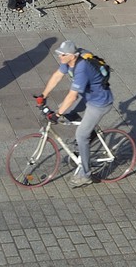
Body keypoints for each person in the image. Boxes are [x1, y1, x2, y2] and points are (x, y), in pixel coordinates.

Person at [39, 41, 114, 187]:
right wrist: (43, 95)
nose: (60, 56)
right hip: (87, 95)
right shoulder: (68, 61)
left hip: (99, 103)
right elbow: (57, 76)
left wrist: (57, 114)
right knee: (67, 112)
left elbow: (72, 96)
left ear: (72, 56)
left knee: (80, 134)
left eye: (63, 54)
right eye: (59, 53)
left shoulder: (82, 68)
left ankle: (85, 175)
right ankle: (89, 132)